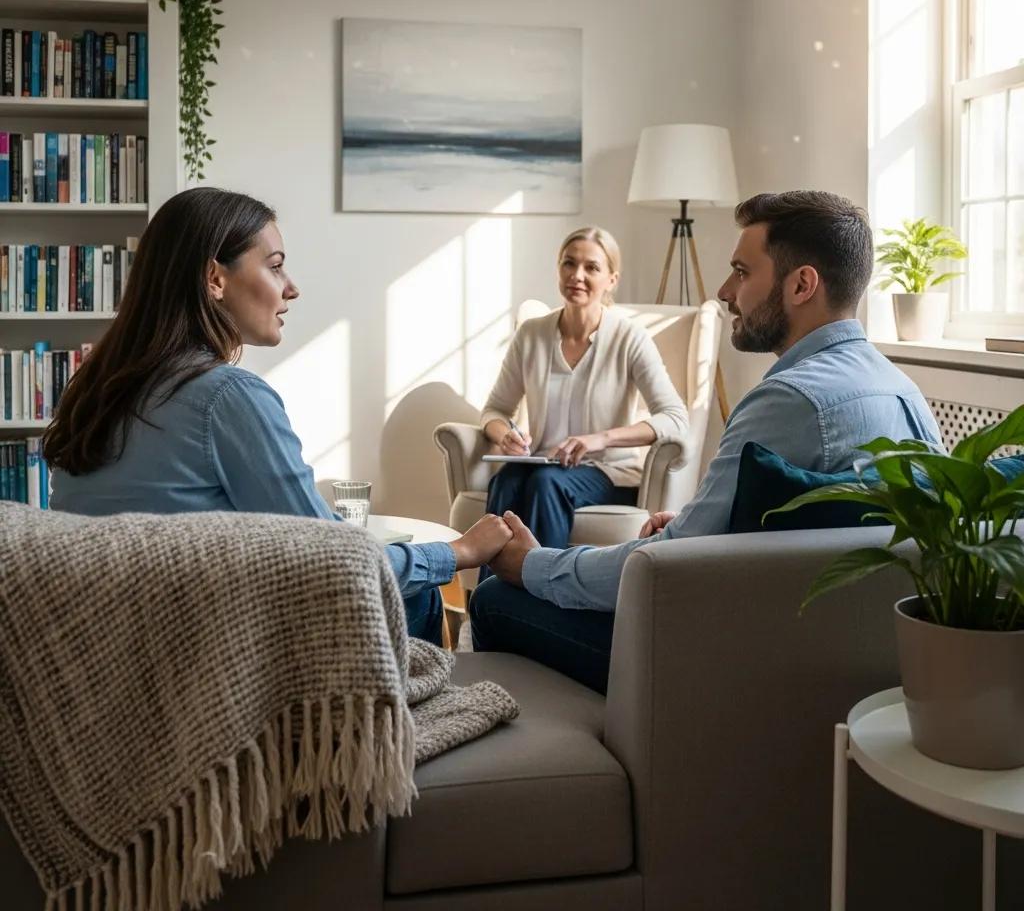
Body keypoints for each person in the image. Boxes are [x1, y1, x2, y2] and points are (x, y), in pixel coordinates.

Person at [470, 190, 944, 692]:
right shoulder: (904, 392)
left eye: (741, 272)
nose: (724, 291)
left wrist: (535, 565)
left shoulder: (787, 400)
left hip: (718, 653)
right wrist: (701, 525)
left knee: (496, 599)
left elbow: (669, 563)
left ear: (802, 284)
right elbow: (806, 525)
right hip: (844, 646)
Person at [45, 187, 510, 645]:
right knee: (415, 594)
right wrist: (459, 552)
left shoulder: (92, 394)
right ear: (214, 278)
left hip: (110, 645)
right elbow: (330, 559)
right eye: (275, 266)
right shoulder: (228, 396)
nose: (291, 287)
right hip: (210, 650)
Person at [479, 226, 687, 567]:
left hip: (609, 472)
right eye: (569, 263)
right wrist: (506, 436)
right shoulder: (531, 335)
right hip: (544, 466)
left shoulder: (630, 338)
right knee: (507, 479)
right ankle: (490, 597)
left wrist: (599, 439)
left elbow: (675, 418)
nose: (577, 275)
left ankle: (545, 591)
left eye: (591, 267)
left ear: (611, 280)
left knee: (547, 483)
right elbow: (494, 410)